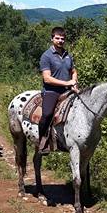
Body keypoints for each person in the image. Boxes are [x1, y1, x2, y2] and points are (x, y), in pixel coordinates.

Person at [37, 26, 78, 154]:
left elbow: (73, 71)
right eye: (57, 38)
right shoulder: (46, 56)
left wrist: (74, 82)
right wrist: (66, 82)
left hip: (67, 90)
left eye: (62, 39)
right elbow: (47, 78)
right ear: (52, 39)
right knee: (47, 114)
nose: (60, 41)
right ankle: (42, 141)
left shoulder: (67, 55)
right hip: (51, 91)